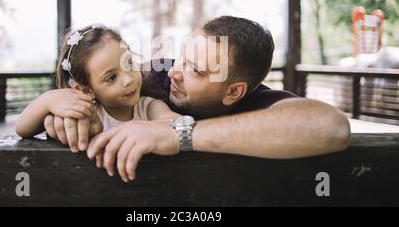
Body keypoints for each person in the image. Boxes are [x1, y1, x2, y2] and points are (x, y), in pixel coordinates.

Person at [43, 16, 351, 182]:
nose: (175, 72)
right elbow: (92, 87)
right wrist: (64, 113)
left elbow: (332, 127)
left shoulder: (258, 104)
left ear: (234, 92)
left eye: (195, 69)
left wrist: (179, 135)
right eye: (182, 57)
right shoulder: (150, 78)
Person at [15, 24, 179, 165]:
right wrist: (46, 101)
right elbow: (22, 129)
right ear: (87, 90)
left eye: (128, 63)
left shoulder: (147, 107)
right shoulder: (89, 113)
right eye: (112, 77)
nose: (128, 79)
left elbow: (175, 124)